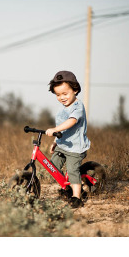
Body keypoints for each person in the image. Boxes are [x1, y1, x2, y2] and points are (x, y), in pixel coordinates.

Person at [45, 70, 90, 208]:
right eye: (58, 95)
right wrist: (55, 141)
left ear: (75, 90)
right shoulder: (62, 108)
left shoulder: (78, 106)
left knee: (72, 170)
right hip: (62, 144)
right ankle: (67, 187)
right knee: (53, 166)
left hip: (75, 147)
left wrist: (55, 130)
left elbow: (71, 121)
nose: (62, 97)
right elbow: (62, 127)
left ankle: (77, 196)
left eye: (65, 94)